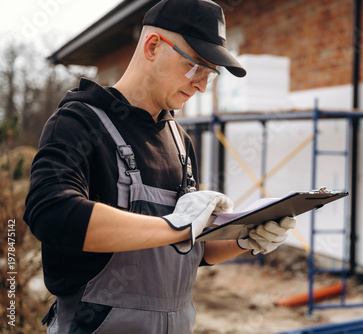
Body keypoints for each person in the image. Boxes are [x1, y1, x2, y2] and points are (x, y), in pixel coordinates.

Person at [23, 0, 296, 333]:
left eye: (211, 75)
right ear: (153, 46)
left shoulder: (180, 140)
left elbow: (190, 252)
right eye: (196, 67)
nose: (201, 85)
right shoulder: (79, 123)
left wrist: (245, 237)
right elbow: (51, 213)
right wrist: (179, 226)